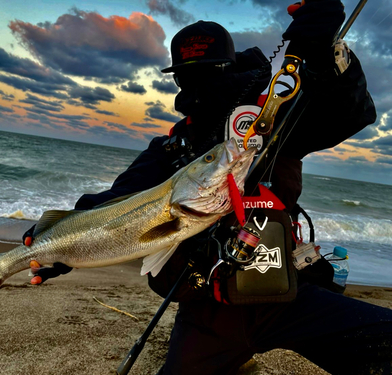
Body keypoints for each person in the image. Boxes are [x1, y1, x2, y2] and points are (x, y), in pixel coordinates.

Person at [24, 1, 392, 373]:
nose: (194, 85)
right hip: (206, 312)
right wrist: (65, 238)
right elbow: (119, 201)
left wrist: (327, 52)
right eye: (188, 77)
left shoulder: (270, 120)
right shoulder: (172, 145)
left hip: (286, 293)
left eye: (198, 74)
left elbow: (350, 113)